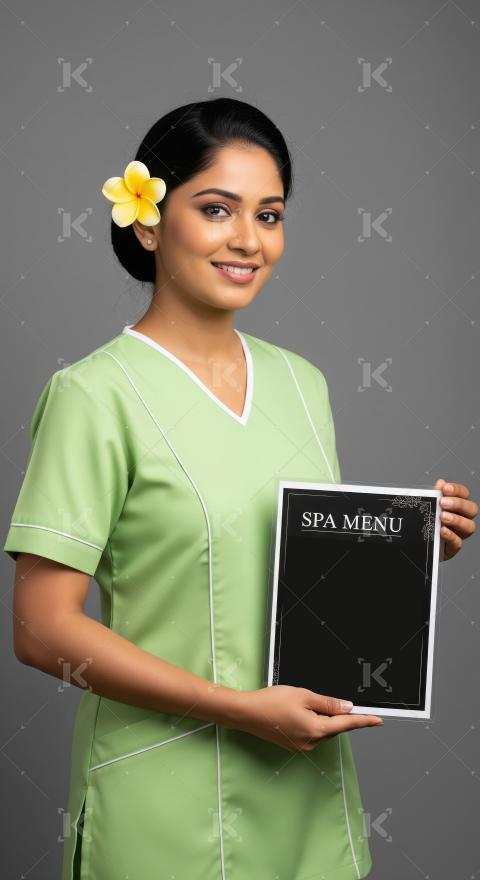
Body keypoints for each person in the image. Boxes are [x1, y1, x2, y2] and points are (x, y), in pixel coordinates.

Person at [4, 97, 477, 880]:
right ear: (149, 221)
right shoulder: (94, 395)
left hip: (309, 798)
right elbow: (40, 630)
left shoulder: (303, 385)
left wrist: (408, 548)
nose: (248, 240)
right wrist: (238, 709)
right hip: (166, 803)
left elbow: (292, 583)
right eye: (216, 209)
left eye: (271, 214)